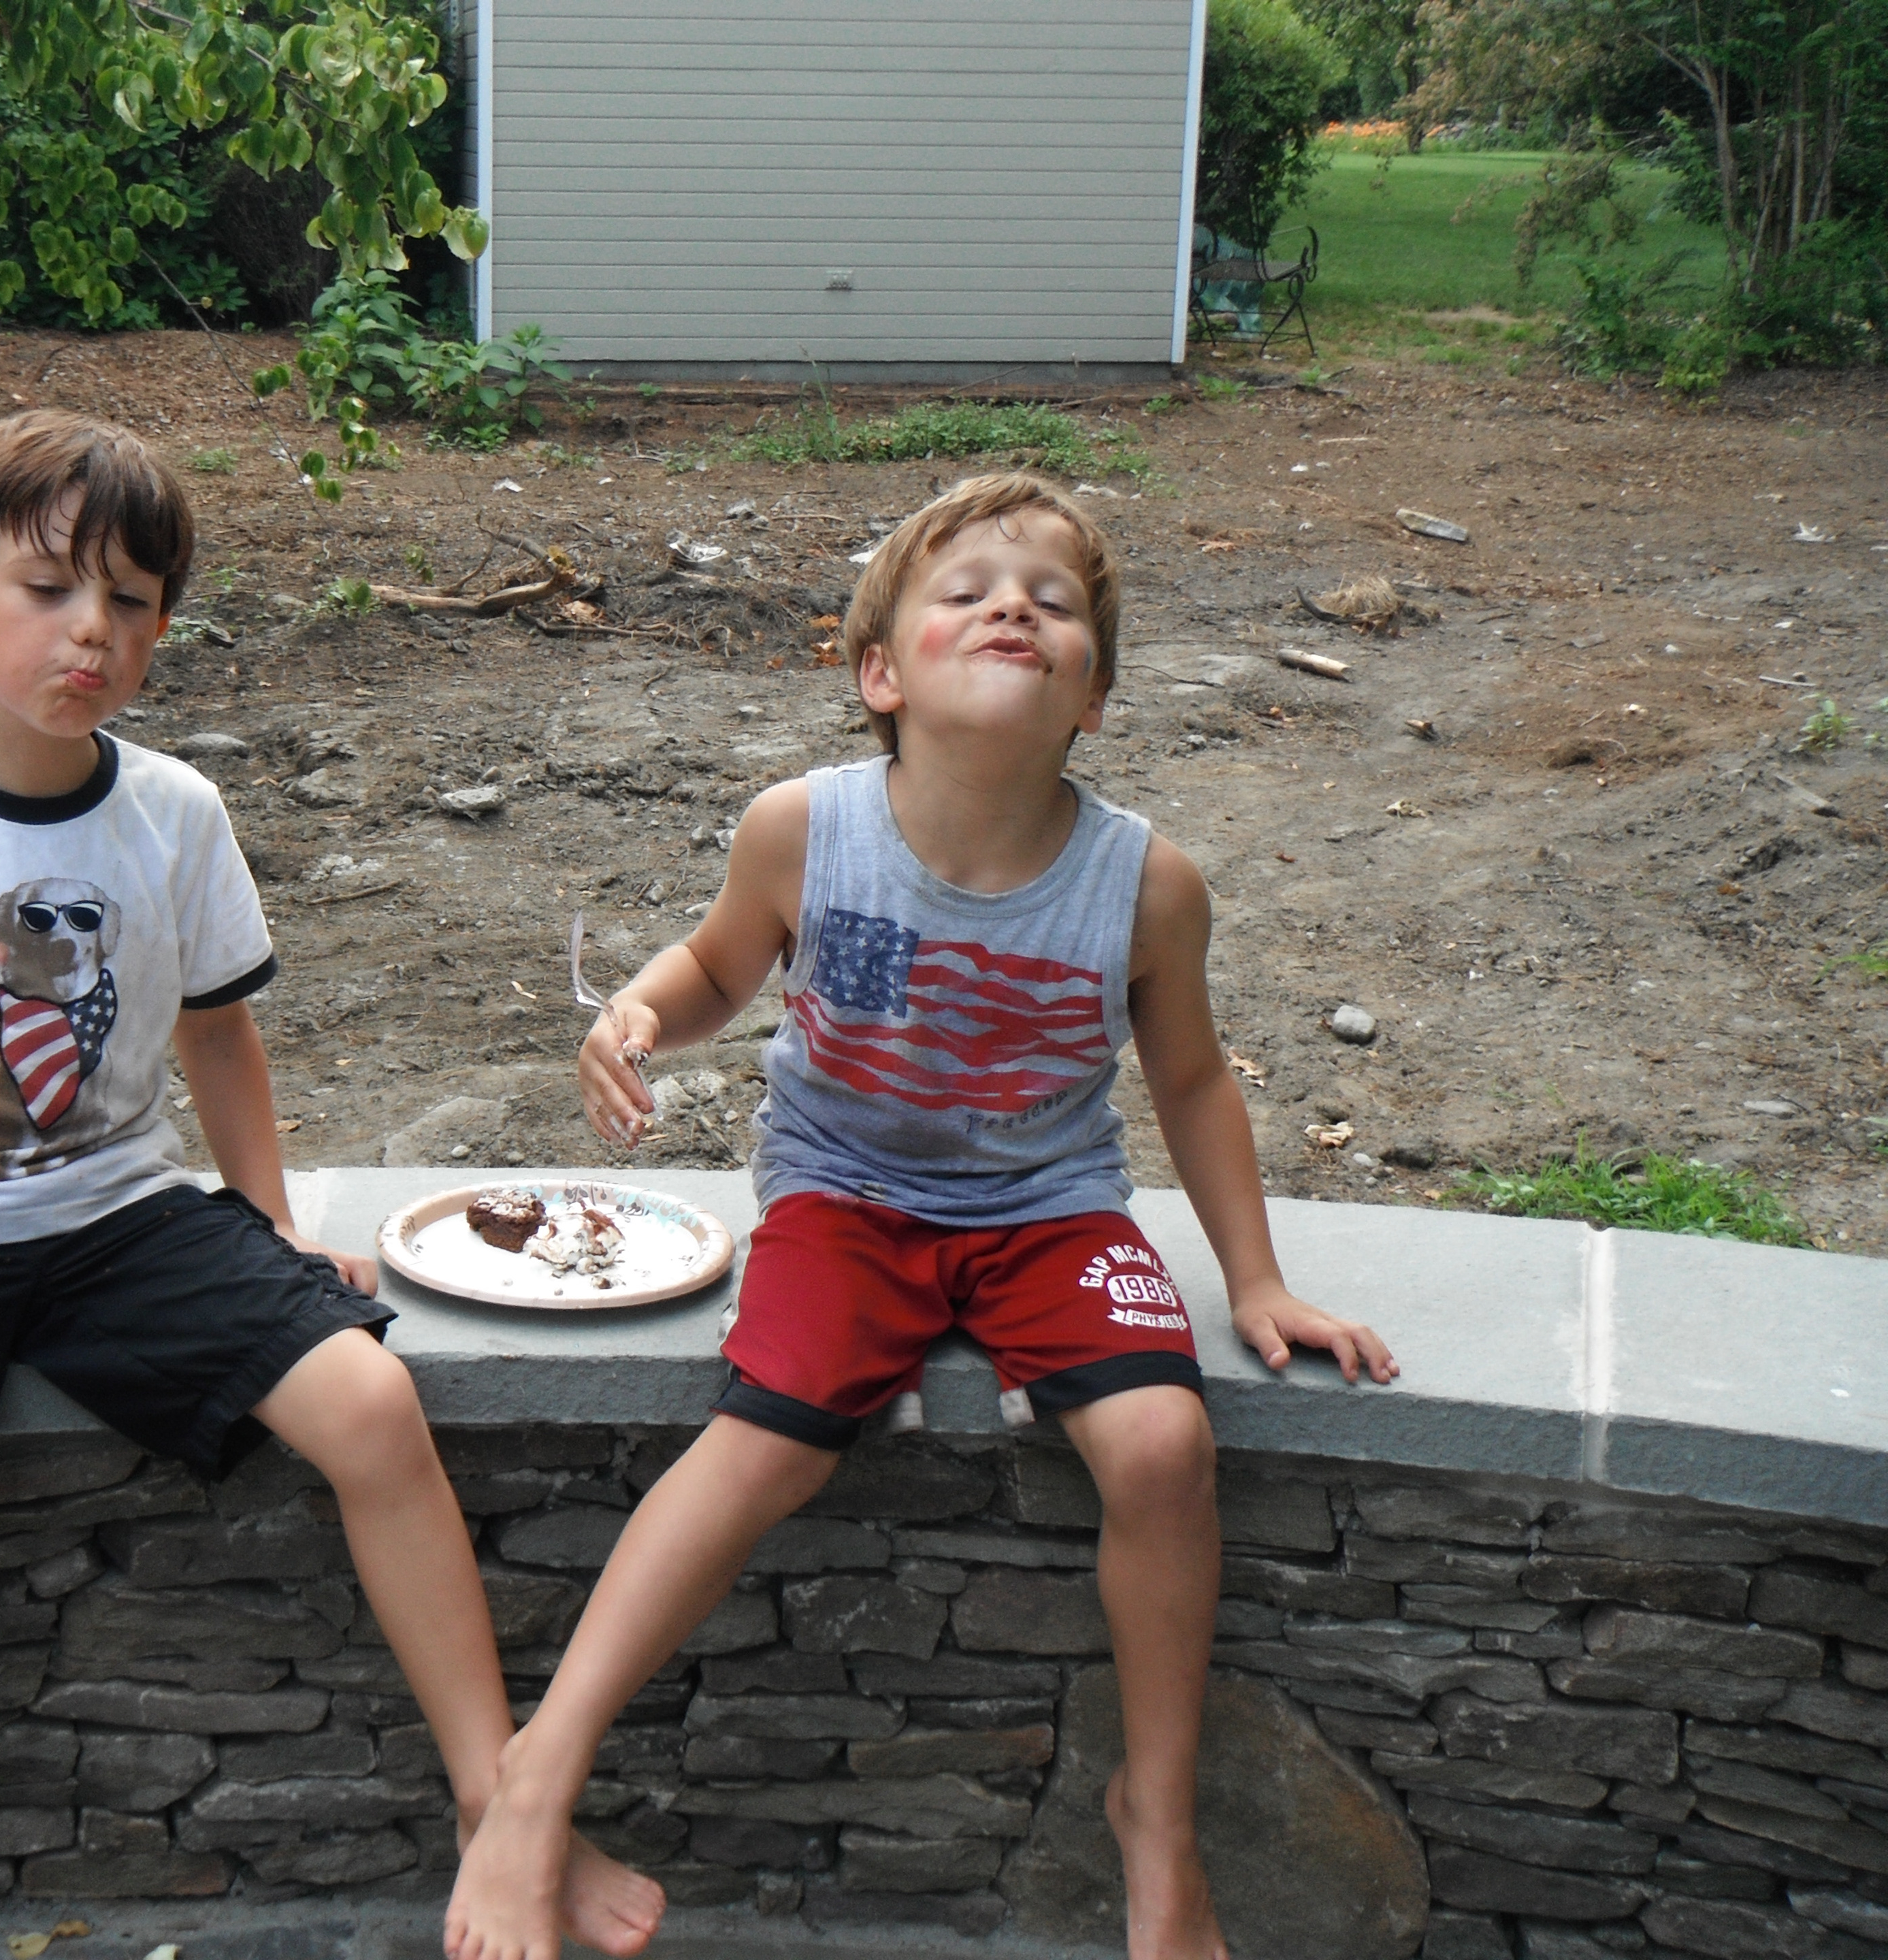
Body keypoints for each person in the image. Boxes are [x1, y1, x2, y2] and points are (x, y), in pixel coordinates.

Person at [0, 410, 662, 1960]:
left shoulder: (172, 810)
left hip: (115, 1216)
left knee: (371, 1405)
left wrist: (271, 1225)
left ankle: (495, 1802)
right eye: (47, 589)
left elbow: (219, 1032)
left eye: (130, 599)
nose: (90, 631)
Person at [446, 472, 1399, 1960]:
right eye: (968, 592)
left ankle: (1155, 1820)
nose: (1014, 607)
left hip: (1050, 1206)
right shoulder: (803, 829)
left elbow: (1194, 1081)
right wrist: (634, 1014)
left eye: (1054, 602)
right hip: (845, 1191)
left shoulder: (1147, 886)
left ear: (1095, 695)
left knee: (1165, 1446)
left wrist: (1257, 1282)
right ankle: (536, 1780)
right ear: (880, 672)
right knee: (767, 1439)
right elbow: (719, 969)